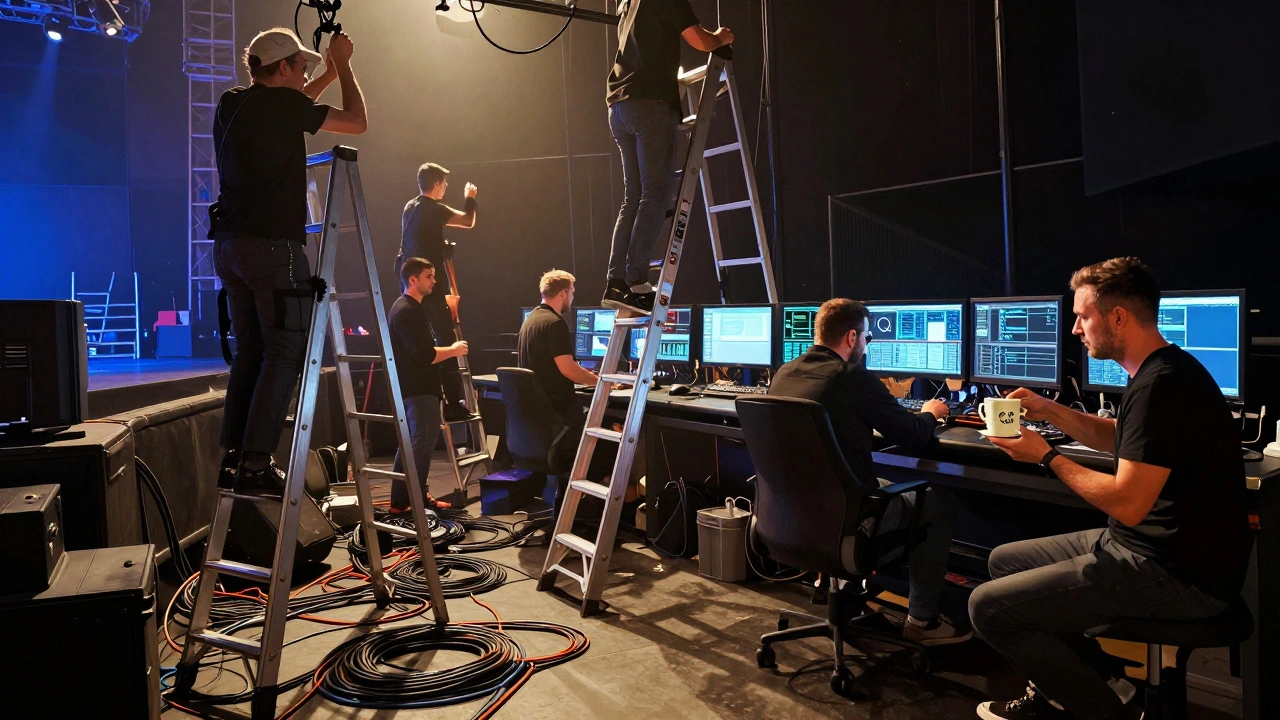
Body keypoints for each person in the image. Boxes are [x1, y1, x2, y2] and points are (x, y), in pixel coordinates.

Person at [971, 257, 1251, 720]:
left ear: (1117, 317)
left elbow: (1128, 502)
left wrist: (1045, 456)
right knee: (1003, 560)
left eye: (1083, 316)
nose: (1075, 329)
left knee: (988, 608)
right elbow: (1122, 438)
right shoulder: (1163, 369)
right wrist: (1050, 409)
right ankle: (1106, 683)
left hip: (1178, 574)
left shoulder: (1162, 385)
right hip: (1142, 547)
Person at [211, 28, 367, 495]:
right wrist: (345, 67)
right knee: (285, 353)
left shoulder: (232, 102)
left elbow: (293, 103)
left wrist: (327, 73)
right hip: (272, 249)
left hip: (230, 247)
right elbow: (357, 121)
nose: (304, 75)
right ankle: (258, 463)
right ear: (282, 68)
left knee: (251, 352)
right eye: (300, 67)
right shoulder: (282, 105)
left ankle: (236, 457)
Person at [768, 298, 970, 646]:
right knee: (937, 503)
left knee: (877, 482)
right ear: (852, 337)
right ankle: (922, 622)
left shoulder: (784, 373)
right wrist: (930, 412)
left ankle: (839, 585)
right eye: (867, 337)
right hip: (848, 519)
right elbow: (913, 436)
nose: (866, 344)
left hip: (791, 517)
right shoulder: (851, 378)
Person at [602, 0, 734, 315]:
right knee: (656, 194)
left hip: (619, 105)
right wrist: (721, 37)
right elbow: (699, 40)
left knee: (634, 196)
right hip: (650, 104)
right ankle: (636, 281)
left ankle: (616, 282)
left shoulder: (628, 3)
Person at [397, 163, 479, 422]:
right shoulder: (434, 208)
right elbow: (468, 221)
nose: (445, 187)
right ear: (436, 184)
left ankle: (437, 397)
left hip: (410, 282)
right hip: (428, 284)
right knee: (446, 339)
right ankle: (453, 402)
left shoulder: (410, 207)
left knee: (422, 338)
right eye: (444, 183)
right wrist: (470, 198)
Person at [386, 258, 470, 511]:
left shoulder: (409, 308)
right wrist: (454, 350)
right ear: (413, 280)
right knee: (420, 443)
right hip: (418, 389)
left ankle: (408, 499)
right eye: (428, 276)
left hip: (417, 387)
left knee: (416, 443)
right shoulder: (408, 311)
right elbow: (425, 355)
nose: (434, 281)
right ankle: (408, 501)